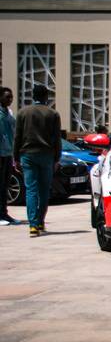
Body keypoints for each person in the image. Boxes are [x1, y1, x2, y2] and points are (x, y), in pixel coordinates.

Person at [13, 85, 61, 237]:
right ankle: (40, 221)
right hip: (46, 155)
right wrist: (57, 158)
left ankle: (33, 226)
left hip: (27, 154)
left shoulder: (22, 113)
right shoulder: (53, 114)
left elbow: (17, 137)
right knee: (44, 190)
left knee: (31, 190)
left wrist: (15, 157)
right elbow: (57, 138)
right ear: (46, 97)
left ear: (33, 96)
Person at [0, 87, 20, 225]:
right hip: (0, 154)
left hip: (8, 153)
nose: (10, 99)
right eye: (7, 97)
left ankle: (4, 213)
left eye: (11, 97)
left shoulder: (8, 113)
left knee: (5, 185)